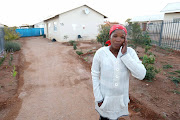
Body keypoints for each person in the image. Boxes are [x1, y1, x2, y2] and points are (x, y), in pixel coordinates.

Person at [91, 25, 146, 120]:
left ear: (125, 40)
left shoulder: (130, 52)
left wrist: (125, 55)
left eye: (122, 37)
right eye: (115, 36)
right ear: (110, 37)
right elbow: (95, 75)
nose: (118, 40)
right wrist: (98, 97)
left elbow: (141, 75)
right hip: (104, 99)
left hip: (120, 100)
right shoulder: (101, 53)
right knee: (104, 118)